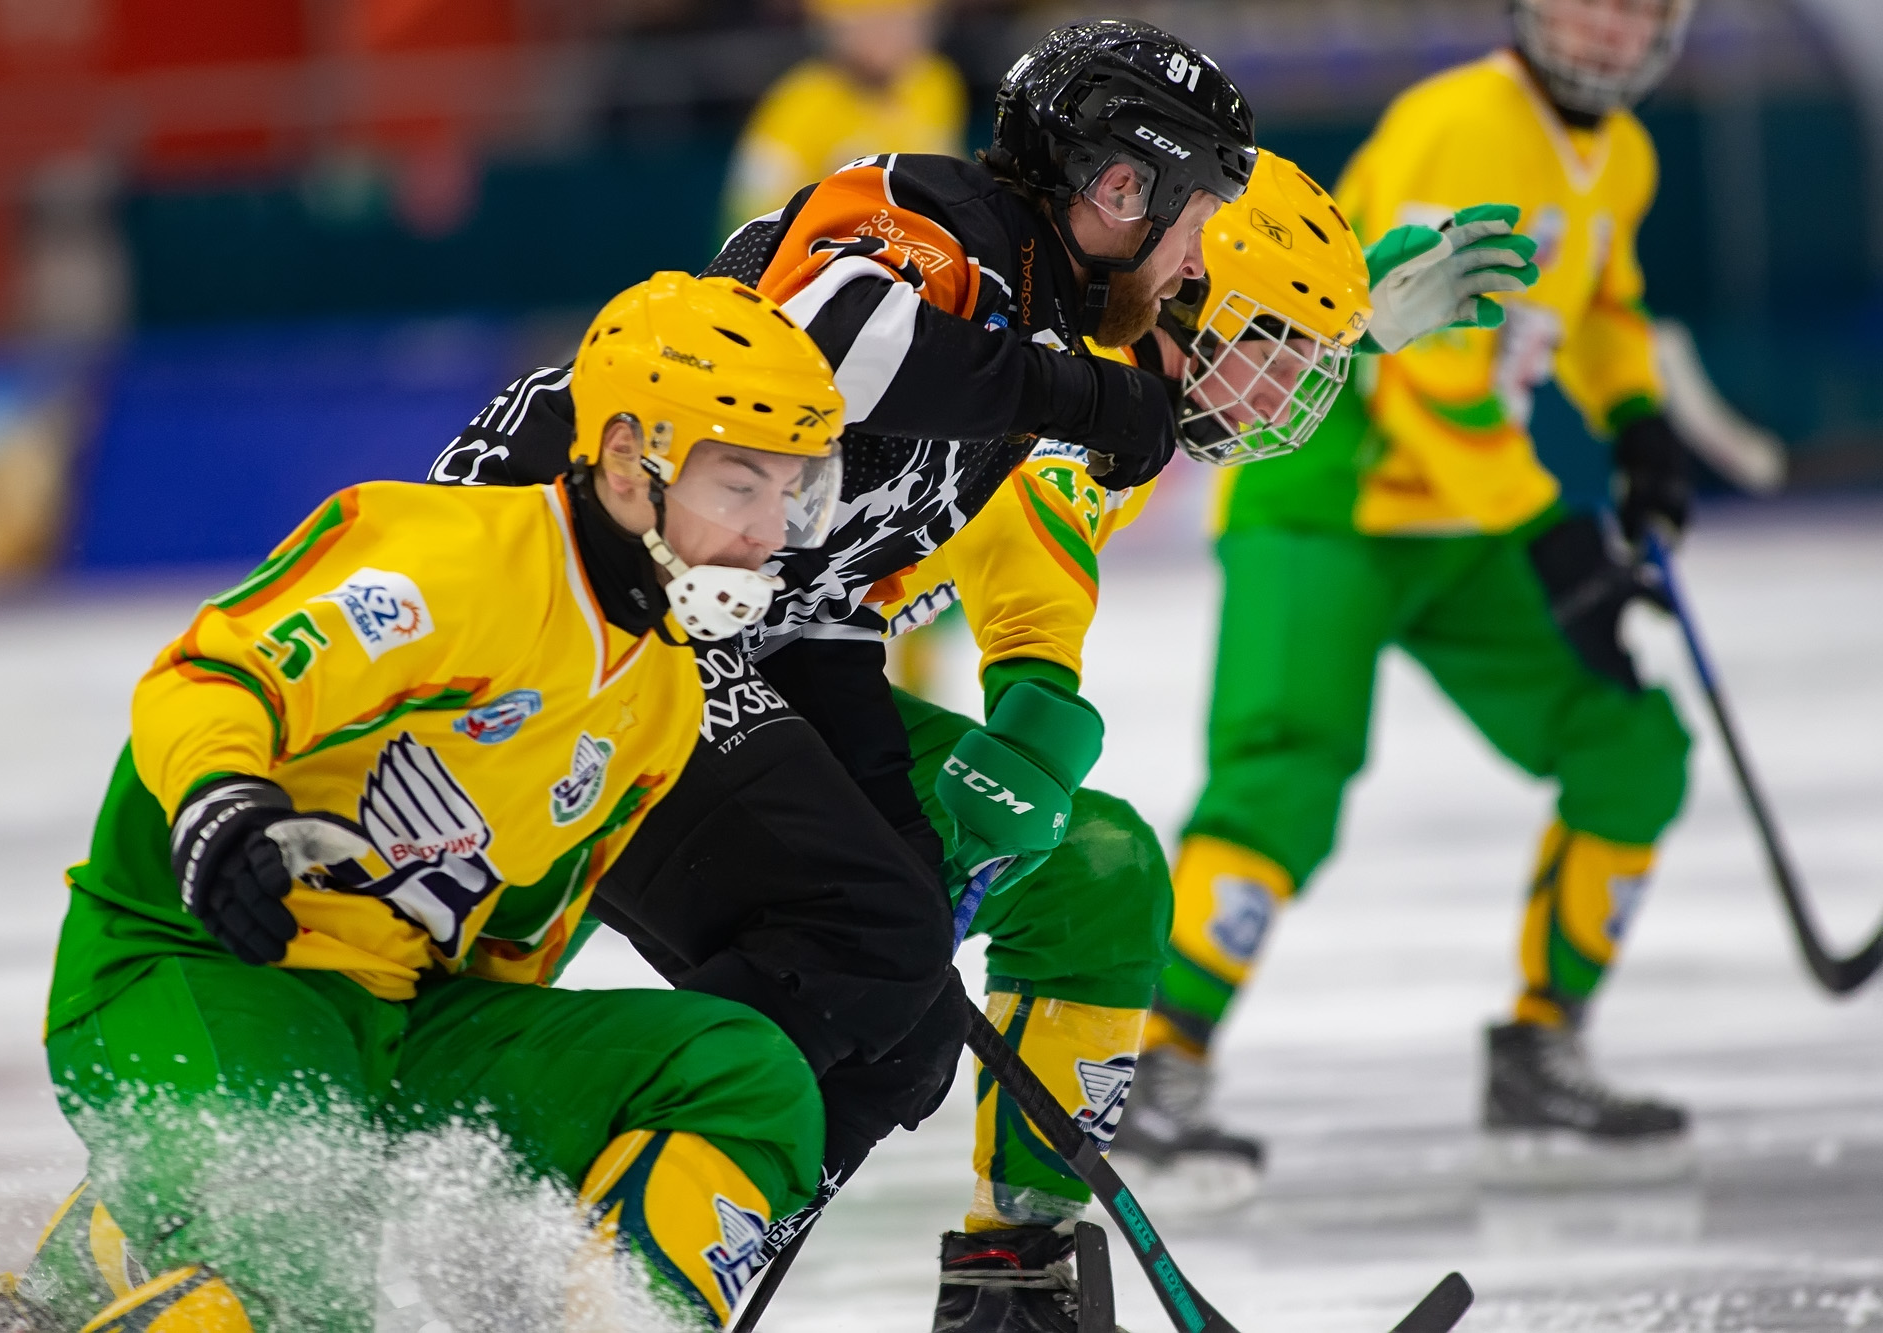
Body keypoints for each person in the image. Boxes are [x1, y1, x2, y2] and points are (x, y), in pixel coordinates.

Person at [428, 16, 1256, 1249]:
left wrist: (891, 809)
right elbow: (838, 346)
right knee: (865, 941)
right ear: (1117, 186)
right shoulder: (933, 214)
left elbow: (819, 599)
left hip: (679, 628)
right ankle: (510, 1211)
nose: (1191, 255)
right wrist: (1089, 393)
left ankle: (633, 1259)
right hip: (553, 595)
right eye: (1190, 216)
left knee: (903, 1016)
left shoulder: (1018, 341)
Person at [0, 274, 846, 1333]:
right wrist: (221, 803)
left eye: (795, 490)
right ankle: (157, 1253)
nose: (770, 529)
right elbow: (213, 675)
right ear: (622, 460)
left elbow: (514, 943)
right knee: (308, 1290)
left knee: (744, 1074)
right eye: (738, 485)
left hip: (391, 1028)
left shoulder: (659, 697)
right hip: (196, 968)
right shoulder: (451, 559)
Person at [874, 148, 1537, 1330]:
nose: (1291, 396)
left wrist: (1343, 330)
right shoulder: (1069, 406)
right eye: (1279, 348)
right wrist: (1024, 743)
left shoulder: (1120, 384)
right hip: (685, 686)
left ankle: (1012, 1289)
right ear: (1181, 293)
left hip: (768, 671)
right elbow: (1033, 583)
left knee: (1095, 873)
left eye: (1309, 362)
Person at [1141, 0, 1703, 1188]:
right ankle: (1149, 1062)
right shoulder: (1457, 126)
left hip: (1456, 514)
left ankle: (1541, 1046)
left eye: (1637, 8)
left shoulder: (1628, 154)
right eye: (1584, 1)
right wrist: (1553, 538)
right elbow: (1420, 377)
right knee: (1279, 780)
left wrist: (1637, 418)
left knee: (1629, 745)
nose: (1606, 31)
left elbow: (1598, 302)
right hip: (1324, 497)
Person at [722, 0, 967, 236]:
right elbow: (749, 216)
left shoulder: (936, 84)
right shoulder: (795, 107)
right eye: (872, 23)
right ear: (834, 28)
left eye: (907, 20)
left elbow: (951, 179)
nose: (892, 36)